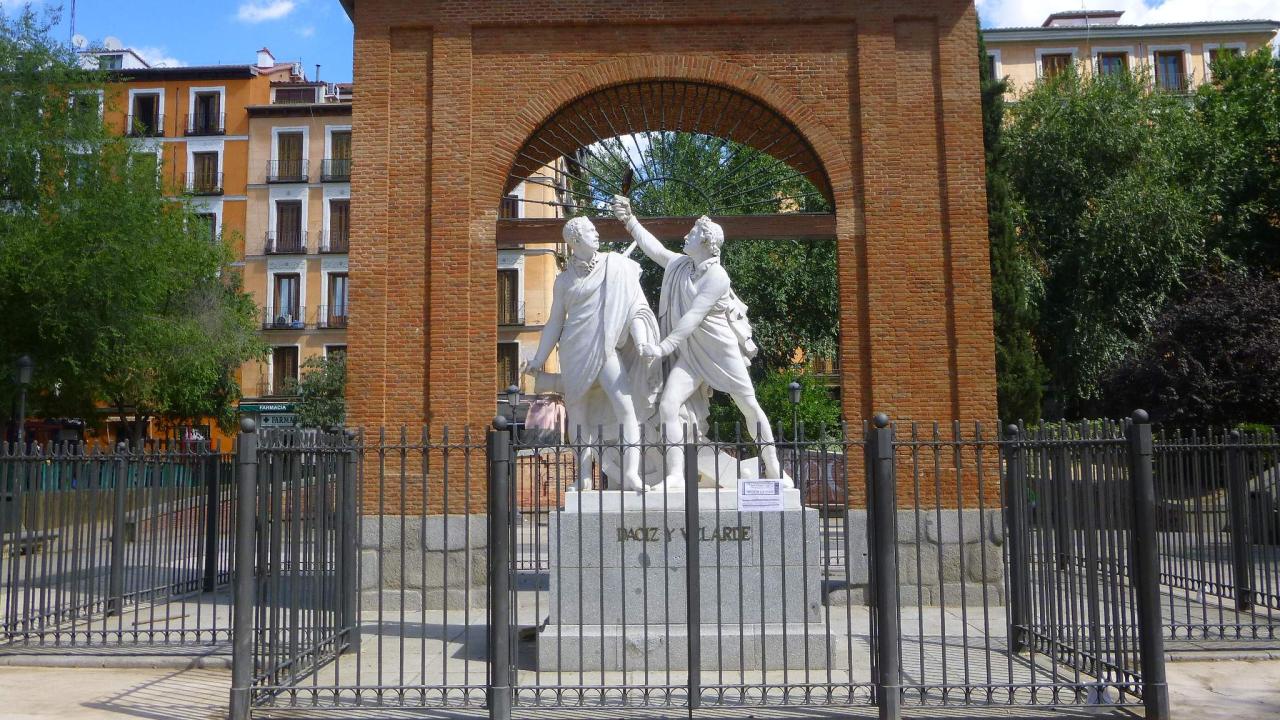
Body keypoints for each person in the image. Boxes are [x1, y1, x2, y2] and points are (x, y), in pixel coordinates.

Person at [612, 196, 784, 489]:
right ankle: (676, 476)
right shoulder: (682, 266)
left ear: (705, 242)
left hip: (720, 352)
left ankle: (773, 467)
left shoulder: (717, 276)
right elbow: (655, 249)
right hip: (692, 355)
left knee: (749, 407)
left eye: (691, 233)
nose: (685, 236)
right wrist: (630, 220)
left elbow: (691, 318)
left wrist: (661, 348)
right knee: (669, 406)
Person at [524, 216, 662, 491]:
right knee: (578, 415)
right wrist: (539, 358)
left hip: (605, 346)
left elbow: (635, 305)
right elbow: (555, 322)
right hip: (574, 349)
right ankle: (584, 476)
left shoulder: (615, 264)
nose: (597, 233)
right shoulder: (563, 281)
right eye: (591, 230)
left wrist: (641, 339)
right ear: (575, 240)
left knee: (626, 408)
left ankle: (631, 473)